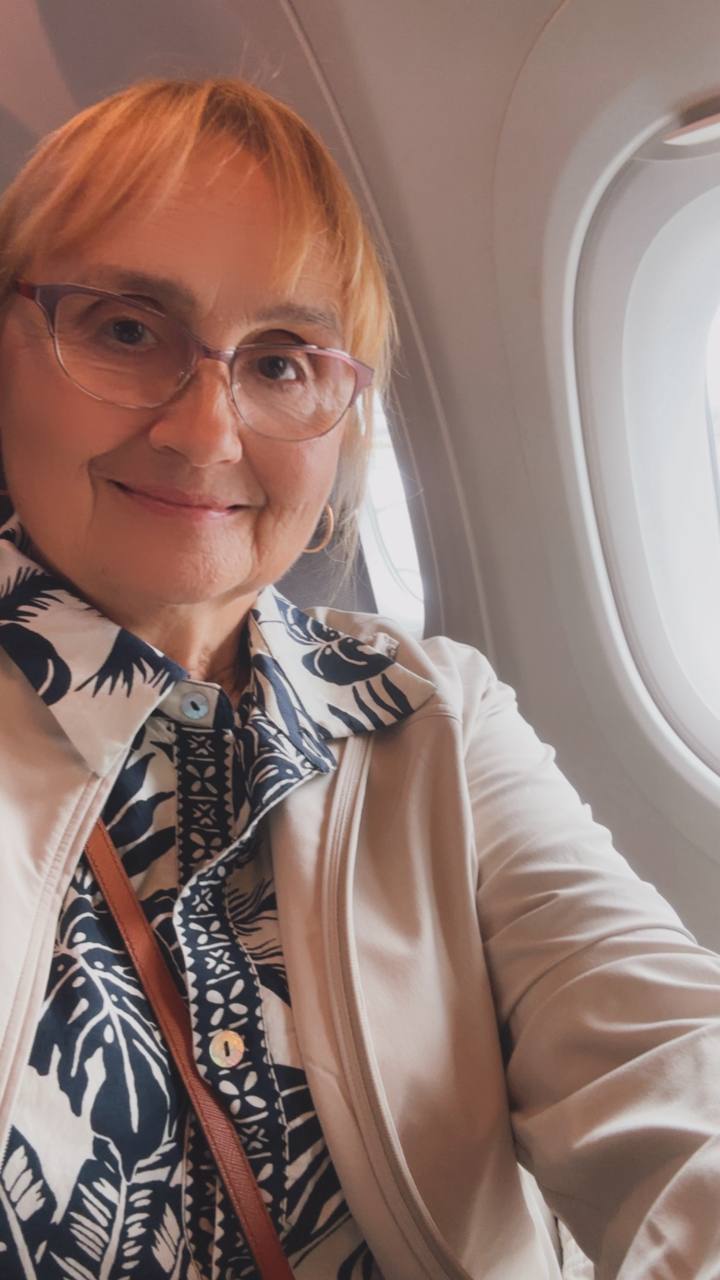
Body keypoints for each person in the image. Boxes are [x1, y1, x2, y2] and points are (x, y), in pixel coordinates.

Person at [0, 76, 717, 1280]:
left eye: (281, 362)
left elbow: (660, 1045)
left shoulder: (428, 709)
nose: (206, 431)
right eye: (126, 329)